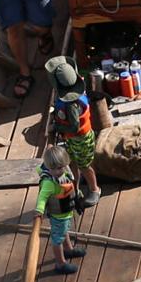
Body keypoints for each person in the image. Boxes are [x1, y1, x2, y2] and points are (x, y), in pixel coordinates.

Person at [45, 56, 101, 206]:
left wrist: (57, 127)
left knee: (84, 165)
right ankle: (75, 189)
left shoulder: (71, 105)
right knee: (72, 163)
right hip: (71, 139)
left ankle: (95, 189)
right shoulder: (70, 95)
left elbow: (75, 127)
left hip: (80, 139)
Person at [36, 144, 84, 275]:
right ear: (49, 167)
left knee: (65, 231)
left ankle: (68, 249)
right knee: (57, 239)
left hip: (66, 212)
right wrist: (39, 211)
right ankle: (60, 263)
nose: (59, 171)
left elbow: (71, 186)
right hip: (58, 216)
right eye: (55, 169)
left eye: (61, 167)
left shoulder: (64, 173)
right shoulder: (49, 183)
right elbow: (42, 198)